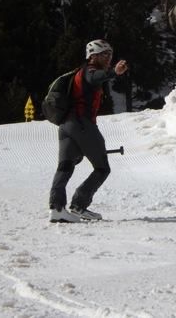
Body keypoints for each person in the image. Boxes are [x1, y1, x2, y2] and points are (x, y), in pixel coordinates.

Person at [49, 39, 128, 223]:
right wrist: (113, 72)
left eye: (110, 54)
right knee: (102, 168)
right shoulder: (89, 71)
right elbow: (95, 77)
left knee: (65, 167)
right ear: (93, 56)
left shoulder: (79, 72)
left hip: (67, 125)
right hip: (82, 124)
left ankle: (57, 208)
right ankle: (79, 205)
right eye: (105, 54)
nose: (109, 57)